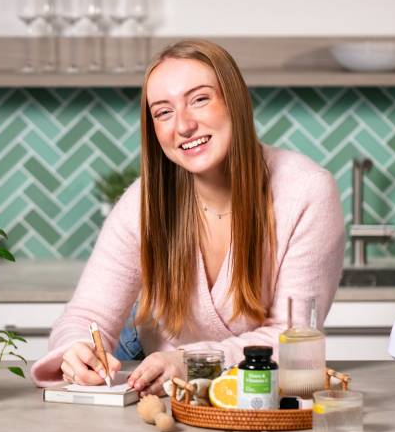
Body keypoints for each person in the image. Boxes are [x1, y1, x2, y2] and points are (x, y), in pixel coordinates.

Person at [30, 39, 344, 396]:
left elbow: (292, 337)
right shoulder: (144, 202)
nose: (183, 126)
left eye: (199, 99)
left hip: (243, 385)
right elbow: (87, 315)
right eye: (163, 112)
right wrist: (76, 351)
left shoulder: (307, 191)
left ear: (235, 102)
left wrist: (192, 361)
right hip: (150, 371)